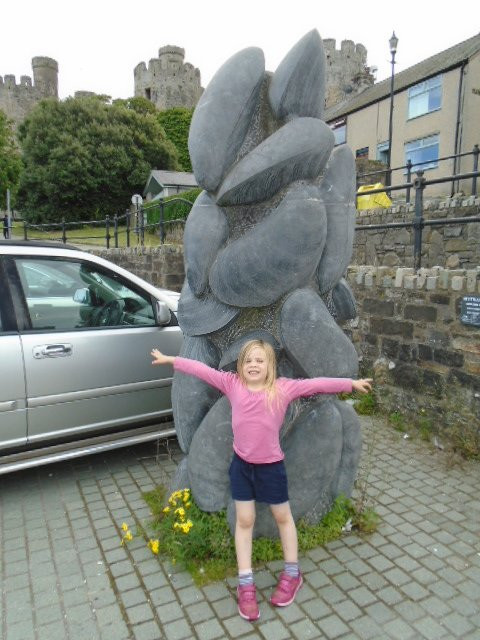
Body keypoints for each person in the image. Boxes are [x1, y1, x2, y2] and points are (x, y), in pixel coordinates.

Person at [151, 339, 372, 621]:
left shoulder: (282, 388)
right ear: (241, 367)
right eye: (248, 361)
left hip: (272, 469)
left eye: (259, 360)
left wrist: (349, 385)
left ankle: (292, 574)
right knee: (244, 521)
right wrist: (172, 360)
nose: (253, 365)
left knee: (282, 517)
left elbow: (316, 384)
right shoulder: (232, 385)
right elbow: (202, 370)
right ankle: (246, 583)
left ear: (270, 366)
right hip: (242, 468)